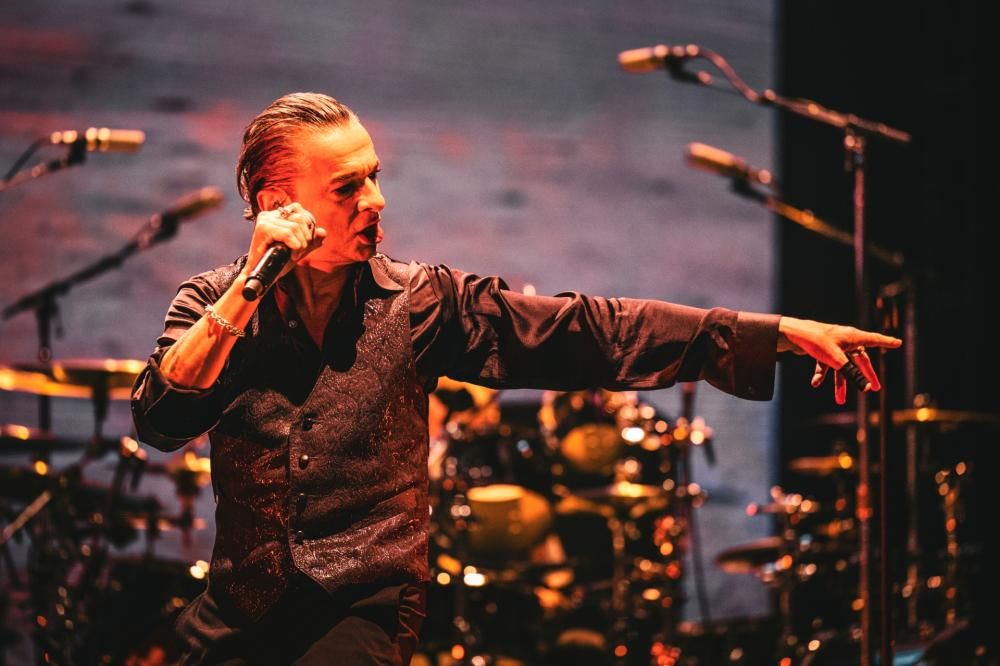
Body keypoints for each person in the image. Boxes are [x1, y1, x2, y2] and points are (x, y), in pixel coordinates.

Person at [130, 92, 901, 665]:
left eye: (374, 177)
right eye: (348, 187)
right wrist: (252, 286)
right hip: (238, 612)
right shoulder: (210, 303)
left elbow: (587, 330)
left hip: (359, 611)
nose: (376, 200)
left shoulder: (420, 302)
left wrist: (765, 334)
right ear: (278, 204)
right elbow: (162, 418)